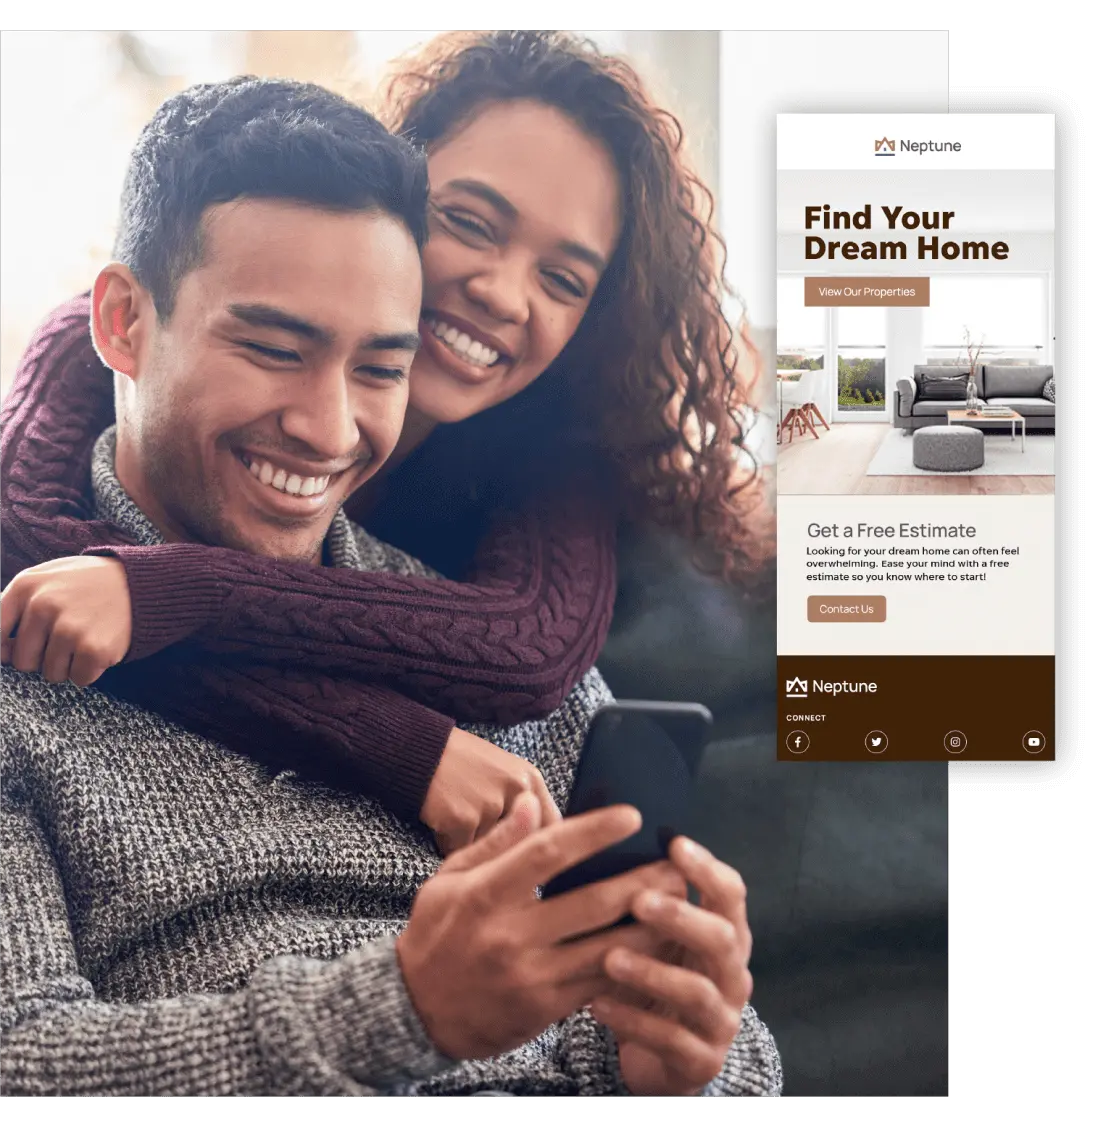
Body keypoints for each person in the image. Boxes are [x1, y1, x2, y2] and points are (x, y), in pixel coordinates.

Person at [0, 75, 781, 1098]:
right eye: (275, 349)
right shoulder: (26, 685)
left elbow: (736, 1060)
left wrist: (680, 1057)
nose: (330, 433)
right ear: (123, 324)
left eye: (380, 369)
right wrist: (403, 1009)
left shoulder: (494, 653)